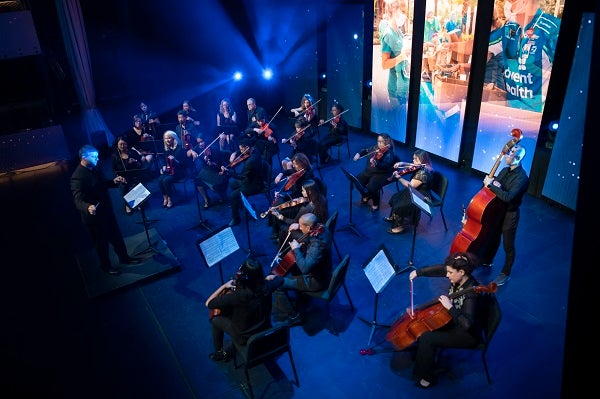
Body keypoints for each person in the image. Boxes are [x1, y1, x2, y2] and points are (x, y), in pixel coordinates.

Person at [408, 252, 487, 388]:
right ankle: (426, 357)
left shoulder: (471, 293)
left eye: (450, 273)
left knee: (427, 338)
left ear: (461, 272)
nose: (447, 275)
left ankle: (428, 378)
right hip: (455, 320)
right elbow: (442, 269)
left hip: (466, 334)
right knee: (426, 326)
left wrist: (450, 307)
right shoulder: (460, 277)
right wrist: (419, 272)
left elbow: (467, 324)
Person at [70, 144, 141, 275]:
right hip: (94, 217)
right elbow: (77, 200)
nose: (97, 159)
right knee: (101, 244)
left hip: (106, 211)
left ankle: (124, 258)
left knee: (116, 237)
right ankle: (106, 267)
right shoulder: (77, 176)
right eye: (94, 156)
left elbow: (102, 184)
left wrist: (114, 181)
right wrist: (87, 207)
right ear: (84, 157)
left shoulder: (95, 168)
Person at [205, 257, 281, 362]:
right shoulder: (268, 287)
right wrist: (268, 278)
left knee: (215, 319)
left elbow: (209, 303)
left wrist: (224, 286)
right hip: (264, 329)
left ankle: (219, 352)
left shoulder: (238, 296)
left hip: (245, 337)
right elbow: (279, 279)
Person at [265, 213, 332, 325]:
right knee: (292, 265)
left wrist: (296, 249)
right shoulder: (322, 228)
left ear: (309, 227)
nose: (300, 228)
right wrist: (298, 226)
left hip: (315, 281)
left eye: (301, 226)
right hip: (324, 270)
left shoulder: (318, 246)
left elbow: (305, 268)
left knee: (276, 284)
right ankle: (302, 296)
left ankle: (294, 316)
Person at [499, 0, 561, 112]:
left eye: (511, 0)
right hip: (510, 113)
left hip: (536, 117)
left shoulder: (552, 29)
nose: (507, 4)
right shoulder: (510, 28)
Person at [481, 144, 529, 285]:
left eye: (511, 153)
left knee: (508, 245)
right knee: (493, 237)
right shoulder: (504, 170)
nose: (507, 155)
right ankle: (488, 261)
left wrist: (492, 185)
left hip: (510, 214)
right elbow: (497, 184)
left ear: (518, 158)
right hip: (498, 210)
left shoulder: (522, 178)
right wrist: (491, 183)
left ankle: (505, 273)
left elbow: (508, 197)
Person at [386, 150, 434, 234]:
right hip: (415, 190)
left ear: (422, 161)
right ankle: (394, 217)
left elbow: (411, 185)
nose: (413, 161)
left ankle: (399, 226)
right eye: (413, 158)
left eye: (415, 159)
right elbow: (411, 164)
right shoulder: (421, 165)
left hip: (421, 194)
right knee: (395, 197)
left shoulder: (423, 172)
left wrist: (399, 178)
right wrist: (401, 163)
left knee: (400, 206)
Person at [271, 179, 329, 246]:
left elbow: (294, 221)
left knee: (283, 228)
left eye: (303, 191)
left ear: (309, 192)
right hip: (318, 226)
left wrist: (279, 216)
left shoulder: (307, 208)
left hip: (310, 235)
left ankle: (284, 247)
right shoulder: (322, 198)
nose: (302, 192)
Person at [222, 137, 266, 227]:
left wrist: (228, 172)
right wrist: (235, 153)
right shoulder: (254, 150)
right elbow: (243, 152)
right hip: (252, 178)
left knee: (233, 195)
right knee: (232, 183)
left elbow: (241, 176)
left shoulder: (251, 161)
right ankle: (239, 203)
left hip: (254, 184)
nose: (241, 151)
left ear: (247, 147)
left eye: (242, 149)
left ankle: (236, 219)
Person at [353, 133, 397, 211]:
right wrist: (359, 154)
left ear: (386, 142)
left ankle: (375, 203)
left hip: (381, 173)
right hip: (369, 171)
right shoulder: (375, 148)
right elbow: (366, 150)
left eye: (381, 142)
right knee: (357, 181)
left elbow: (386, 165)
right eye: (378, 141)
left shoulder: (389, 153)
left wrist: (376, 163)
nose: (379, 144)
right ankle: (366, 195)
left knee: (371, 187)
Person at [380, 0, 411, 104]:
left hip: (404, 85)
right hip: (396, 90)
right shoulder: (388, 35)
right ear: (393, 10)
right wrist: (401, 57)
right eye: (402, 11)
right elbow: (384, 64)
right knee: (398, 118)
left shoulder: (398, 31)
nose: (404, 15)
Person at [192, 133, 229, 207]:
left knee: (213, 185)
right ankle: (206, 199)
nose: (200, 144)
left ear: (205, 140)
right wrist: (192, 152)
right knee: (198, 182)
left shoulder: (213, 148)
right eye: (198, 142)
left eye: (202, 141)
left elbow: (218, 164)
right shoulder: (198, 148)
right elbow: (190, 151)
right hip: (207, 170)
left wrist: (209, 162)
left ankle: (223, 197)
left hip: (217, 169)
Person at [111, 136, 144, 215]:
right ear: (117, 145)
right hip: (123, 177)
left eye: (124, 144)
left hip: (134, 175)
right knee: (124, 186)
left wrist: (135, 161)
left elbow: (140, 165)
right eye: (120, 144)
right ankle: (127, 205)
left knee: (139, 183)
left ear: (127, 144)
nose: (122, 146)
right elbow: (114, 170)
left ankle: (138, 201)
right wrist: (118, 177)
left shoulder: (133, 152)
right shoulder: (115, 156)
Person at [157, 130, 188, 209]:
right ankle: (165, 197)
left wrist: (175, 160)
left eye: (169, 138)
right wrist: (163, 167)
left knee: (165, 180)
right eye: (165, 138)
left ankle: (170, 199)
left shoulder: (179, 149)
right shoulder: (166, 149)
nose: (167, 140)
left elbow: (184, 164)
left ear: (173, 138)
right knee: (160, 179)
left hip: (179, 172)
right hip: (169, 170)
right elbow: (165, 161)